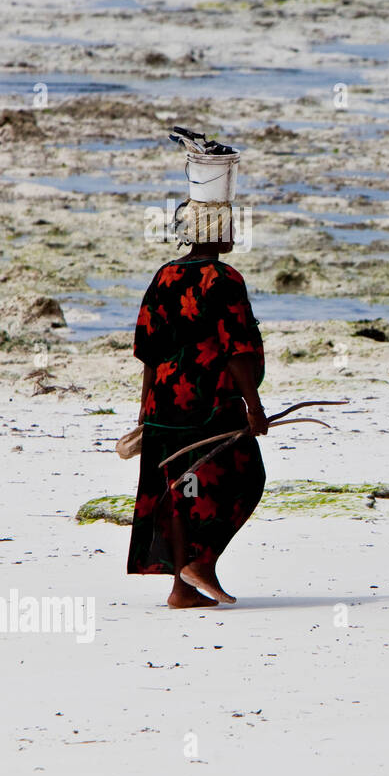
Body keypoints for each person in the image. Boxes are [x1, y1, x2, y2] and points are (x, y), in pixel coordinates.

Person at [127, 200, 268, 608]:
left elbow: (149, 349)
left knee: (179, 490)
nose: (235, 233)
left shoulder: (165, 274)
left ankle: (182, 588)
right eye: (228, 226)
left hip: (164, 402)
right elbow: (237, 349)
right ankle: (201, 561)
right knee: (244, 477)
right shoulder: (223, 277)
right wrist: (253, 406)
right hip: (208, 401)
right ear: (212, 231)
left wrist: (144, 408)